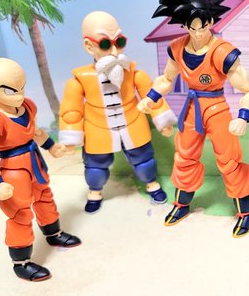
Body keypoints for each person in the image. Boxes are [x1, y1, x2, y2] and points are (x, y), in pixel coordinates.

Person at [139, 0, 249, 237]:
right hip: (192, 109)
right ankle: (181, 204)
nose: (198, 33)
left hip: (216, 109)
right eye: (192, 28)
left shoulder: (222, 51)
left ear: (210, 22)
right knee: (184, 157)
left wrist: (243, 117)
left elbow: (248, 91)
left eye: (202, 26)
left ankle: (245, 212)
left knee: (229, 160)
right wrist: (151, 97)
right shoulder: (177, 48)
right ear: (184, 26)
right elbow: (166, 79)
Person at [0, 58, 81, 281]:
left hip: (35, 162)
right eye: (10, 90)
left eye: (22, 87)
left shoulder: (27, 106)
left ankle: (54, 233)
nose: (19, 94)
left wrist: (52, 147)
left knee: (44, 198)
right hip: (13, 171)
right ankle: (21, 262)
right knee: (19, 213)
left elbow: (36, 132)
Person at [59, 11, 176, 213]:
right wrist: (70, 137)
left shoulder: (133, 73)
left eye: (119, 41)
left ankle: (152, 184)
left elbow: (153, 97)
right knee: (96, 166)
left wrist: (163, 121)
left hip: (132, 122)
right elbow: (71, 111)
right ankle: (95, 191)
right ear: (89, 46)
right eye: (106, 43)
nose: (114, 50)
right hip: (98, 127)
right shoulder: (80, 80)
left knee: (144, 159)